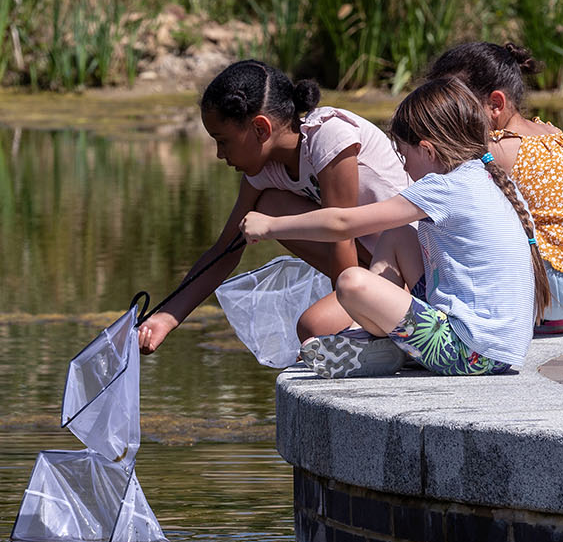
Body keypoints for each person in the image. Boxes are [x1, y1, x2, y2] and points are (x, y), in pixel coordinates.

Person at [239, 77, 550, 378]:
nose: (403, 166)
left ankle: (381, 340)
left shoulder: (444, 186)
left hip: (469, 351)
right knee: (398, 234)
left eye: (404, 155)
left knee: (352, 283)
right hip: (495, 349)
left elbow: (342, 221)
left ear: (428, 151)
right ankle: (382, 340)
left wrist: (271, 226)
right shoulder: (487, 177)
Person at [137, 60, 413, 355]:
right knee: (268, 205)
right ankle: (370, 318)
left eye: (223, 141)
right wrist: (166, 317)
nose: (219, 154)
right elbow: (224, 250)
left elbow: (340, 234)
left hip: (412, 266)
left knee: (313, 326)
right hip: (370, 265)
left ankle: (379, 322)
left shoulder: (329, 135)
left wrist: (350, 311)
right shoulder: (265, 172)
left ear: (260, 128)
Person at [426, 42, 563, 333]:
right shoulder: (553, 133)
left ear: (495, 104)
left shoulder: (496, 148)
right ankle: (551, 319)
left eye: (452, 105)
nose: (443, 115)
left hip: (550, 287)